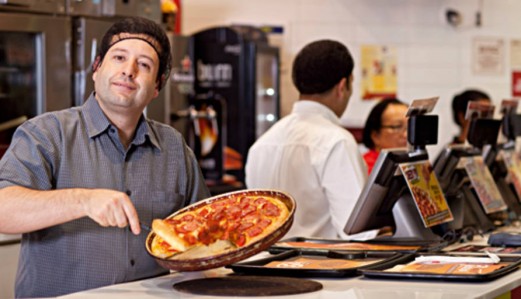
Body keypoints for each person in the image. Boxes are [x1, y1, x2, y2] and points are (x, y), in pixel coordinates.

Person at [0, 17, 210, 298]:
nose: (128, 71)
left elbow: (204, 232)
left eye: (144, 65)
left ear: (157, 87)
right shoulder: (46, 133)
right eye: (119, 57)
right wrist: (83, 200)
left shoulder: (174, 147)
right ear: (96, 69)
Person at [245, 39, 370, 240]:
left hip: (262, 266)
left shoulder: (262, 144)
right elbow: (356, 232)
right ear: (343, 85)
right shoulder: (337, 141)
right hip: (319, 267)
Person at [362, 98, 408, 174]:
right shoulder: (365, 168)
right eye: (397, 126)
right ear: (375, 136)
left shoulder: (410, 162)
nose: (406, 134)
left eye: (410, 127)